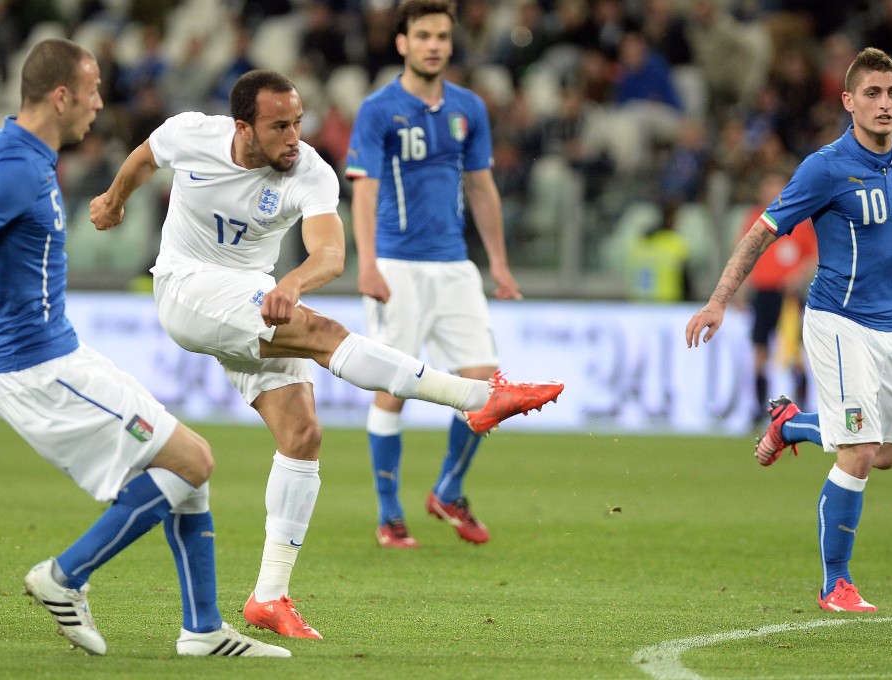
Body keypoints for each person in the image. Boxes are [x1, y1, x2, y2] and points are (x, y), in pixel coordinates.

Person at [89, 69, 563, 638]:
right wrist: (114, 200)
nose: (294, 137)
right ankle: (477, 399)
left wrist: (292, 283)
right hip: (185, 287)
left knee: (303, 434)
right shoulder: (191, 133)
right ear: (243, 128)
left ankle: (269, 597)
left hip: (254, 296)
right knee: (321, 334)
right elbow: (145, 157)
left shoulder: (309, 171)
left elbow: (331, 253)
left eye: (298, 122)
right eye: (279, 126)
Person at [0, 38, 289, 658]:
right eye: (93, 90)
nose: (101, 103)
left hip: (57, 357)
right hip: (41, 368)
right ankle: (64, 576)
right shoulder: (15, 167)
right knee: (194, 462)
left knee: (187, 467)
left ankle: (203, 631)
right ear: (62, 95)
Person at [685, 47, 892, 613]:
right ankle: (836, 582)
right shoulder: (825, 167)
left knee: (888, 453)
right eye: (873, 94)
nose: (885, 104)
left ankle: (790, 423)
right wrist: (717, 302)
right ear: (848, 100)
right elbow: (761, 233)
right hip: (838, 321)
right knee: (858, 452)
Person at [344, 0, 521, 550]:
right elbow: (364, 188)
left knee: (487, 387)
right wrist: (367, 263)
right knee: (392, 390)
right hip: (397, 266)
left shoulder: (469, 108)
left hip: (453, 266)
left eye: (442, 35)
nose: (434, 45)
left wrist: (498, 263)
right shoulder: (378, 109)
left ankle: (447, 489)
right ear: (402, 43)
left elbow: (482, 187)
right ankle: (389, 514)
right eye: (422, 35)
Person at [736, 170, 818, 428]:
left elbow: (814, 255)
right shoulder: (754, 218)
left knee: (794, 349)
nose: (771, 191)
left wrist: (798, 276)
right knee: (760, 350)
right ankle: (758, 410)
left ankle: (802, 409)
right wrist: (740, 288)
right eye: (767, 185)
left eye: (776, 185)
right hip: (762, 293)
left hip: (789, 295)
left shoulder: (800, 220)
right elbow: (744, 255)